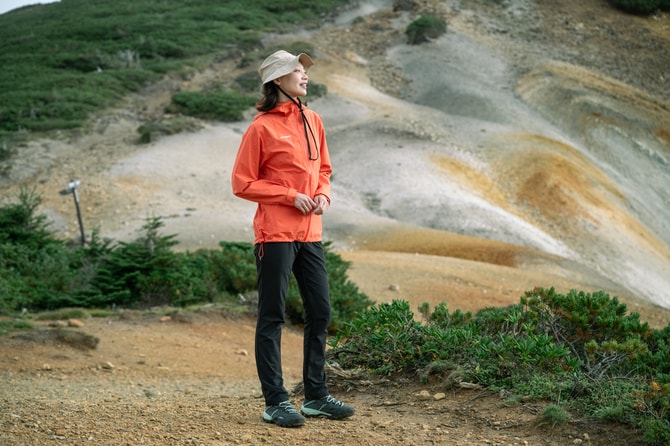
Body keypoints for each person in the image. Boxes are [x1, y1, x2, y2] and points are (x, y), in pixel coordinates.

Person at [231, 50, 355, 428]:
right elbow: (242, 183)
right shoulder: (261, 127)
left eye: (304, 71)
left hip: (310, 233)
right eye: (296, 71)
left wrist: (323, 195)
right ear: (277, 81)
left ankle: (316, 397)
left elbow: (325, 169)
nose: (304, 76)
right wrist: (289, 196)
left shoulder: (313, 120)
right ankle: (275, 401)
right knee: (272, 315)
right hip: (275, 234)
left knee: (320, 312)